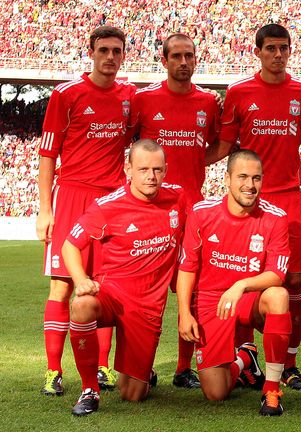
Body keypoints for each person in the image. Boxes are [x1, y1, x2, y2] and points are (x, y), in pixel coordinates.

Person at [207, 24, 301, 390]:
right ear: (257, 51)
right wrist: (184, 163)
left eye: (283, 48)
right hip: (250, 199)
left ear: (290, 51)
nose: (277, 54)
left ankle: (289, 363)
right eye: (270, 48)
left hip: (289, 198)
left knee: (294, 282)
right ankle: (247, 354)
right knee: (243, 278)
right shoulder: (239, 92)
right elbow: (224, 146)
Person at [37, 25, 136, 396]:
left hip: (111, 201)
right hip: (72, 197)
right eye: (104, 50)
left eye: (117, 51)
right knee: (62, 285)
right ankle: (53, 370)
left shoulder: (130, 96)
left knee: (106, 284)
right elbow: (47, 154)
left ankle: (103, 367)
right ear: (91, 52)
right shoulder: (66, 94)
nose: (111, 57)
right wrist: (45, 210)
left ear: (123, 54)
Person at [61, 140, 185, 416]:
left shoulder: (178, 198)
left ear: (165, 170)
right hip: (112, 294)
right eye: (143, 169)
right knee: (82, 305)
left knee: (132, 395)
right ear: (128, 168)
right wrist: (81, 279)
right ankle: (89, 388)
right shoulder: (108, 206)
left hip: (147, 307)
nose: (151, 177)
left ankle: (143, 371)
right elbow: (69, 245)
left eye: (157, 170)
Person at [128, 33, 220, 389]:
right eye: (177, 56)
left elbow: (216, 146)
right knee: (144, 291)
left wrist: (194, 163)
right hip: (150, 211)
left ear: (196, 60)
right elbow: (130, 146)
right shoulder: (144, 99)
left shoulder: (209, 102)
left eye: (189, 56)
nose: (184, 62)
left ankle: (184, 368)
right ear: (163, 60)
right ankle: (141, 365)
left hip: (193, 210)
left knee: (191, 290)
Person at [176, 149, 292, 416]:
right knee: (215, 394)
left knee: (278, 296)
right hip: (210, 300)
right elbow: (187, 266)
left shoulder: (275, 217)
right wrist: (184, 312)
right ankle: (245, 359)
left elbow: (277, 274)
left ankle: (271, 390)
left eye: (256, 178)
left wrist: (241, 285)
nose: (250, 185)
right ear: (227, 178)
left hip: (249, 298)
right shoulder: (202, 213)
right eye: (242, 177)